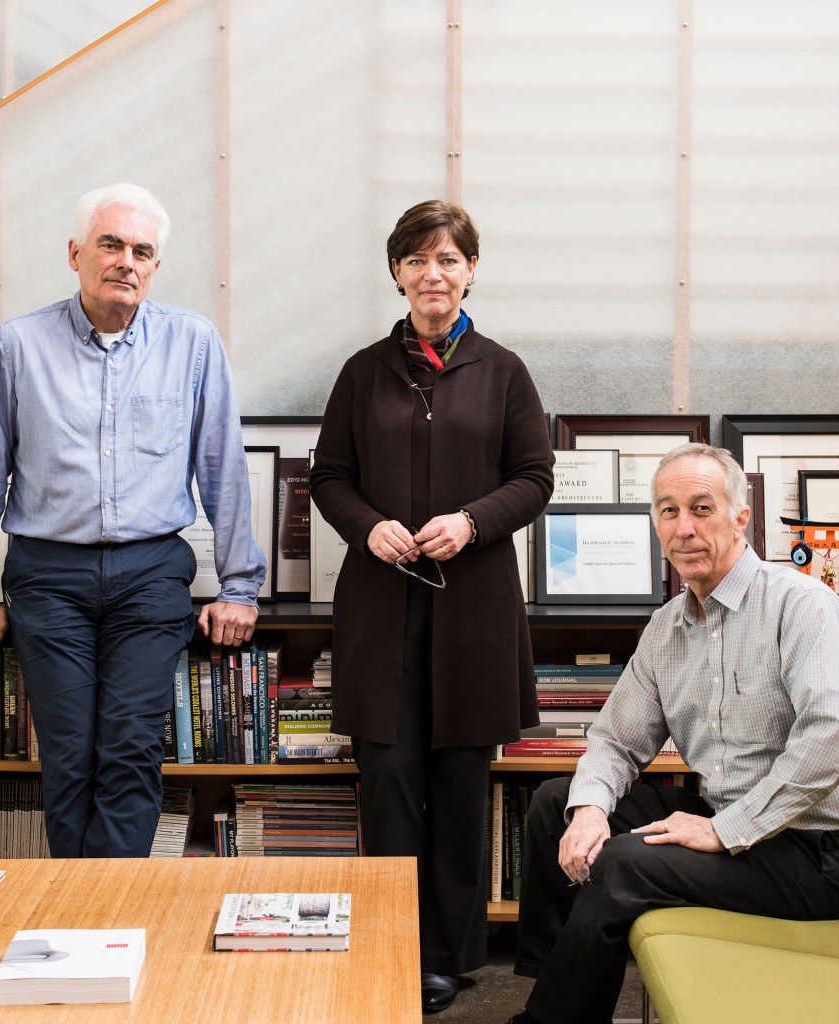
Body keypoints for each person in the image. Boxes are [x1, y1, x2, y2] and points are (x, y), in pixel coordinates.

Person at [0, 183, 266, 858]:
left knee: (130, 749)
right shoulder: (16, 346)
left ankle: (108, 919)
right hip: (47, 577)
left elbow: (222, 471)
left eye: (142, 250)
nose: (126, 260)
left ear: (154, 265)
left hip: (150, 574)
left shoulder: (193, 343)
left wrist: (240, 588)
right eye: (111, 244)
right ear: (75, 254)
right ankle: (79, 922)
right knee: (68, 756)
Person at [504, 442, 839, 1024]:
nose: (684, 528)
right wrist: (592, 810)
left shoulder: (804, 606)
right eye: (668, 510)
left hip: (814, 855)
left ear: (740, 517)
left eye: (702, 508)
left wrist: (724, 830)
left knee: (624, 861)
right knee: (558, 803)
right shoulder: (666, 627)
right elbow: (617, 739)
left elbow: (828, 741)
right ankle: (554, 989)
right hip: (721, 814)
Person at [310, 200, 554, 1013]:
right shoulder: (361, 371)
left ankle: (449, 956)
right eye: (417, 260)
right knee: (388, 783)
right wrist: (369, 525)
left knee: (458, 785)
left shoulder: (505, 370)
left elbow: (535, 477)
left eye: (449, 259)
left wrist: (473, 521)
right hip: (381, 607)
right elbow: (328, 478)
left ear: (471, 270)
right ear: (396, 274)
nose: (433, 274)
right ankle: (390, 942)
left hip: (472, 610)